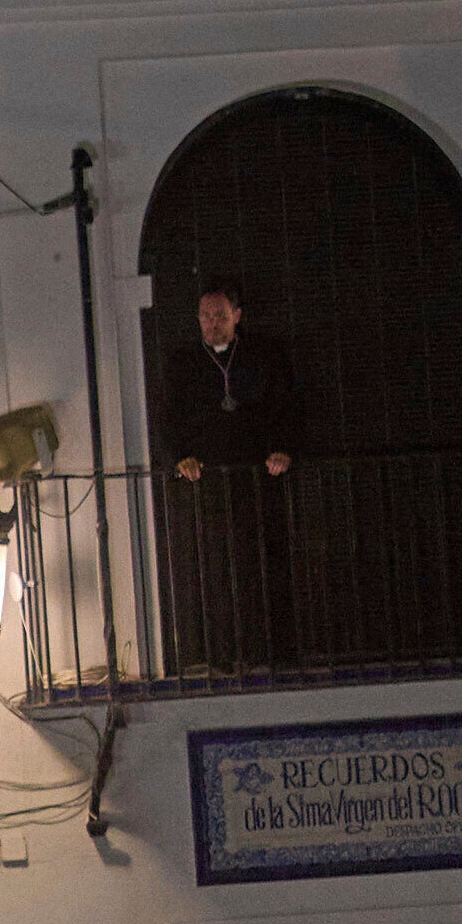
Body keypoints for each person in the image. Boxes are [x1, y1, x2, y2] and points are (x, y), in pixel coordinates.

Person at [154, 270, 302, 668]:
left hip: (258, 481)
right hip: (209, 486)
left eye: (219, 315)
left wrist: (282, 451)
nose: (211, 323)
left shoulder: (263, 358)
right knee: (215, 573)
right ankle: (220, 657)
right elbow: (168, 421)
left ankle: (272, 654)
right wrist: (180, 458)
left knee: (264, 568)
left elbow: (285, 409)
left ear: (237, 315)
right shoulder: (183, 364)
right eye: (204, 316)